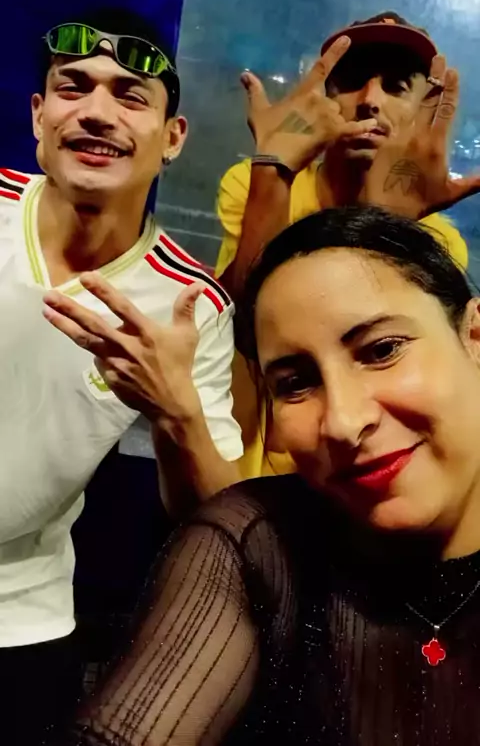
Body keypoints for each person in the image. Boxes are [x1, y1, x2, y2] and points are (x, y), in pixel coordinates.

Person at [66, 205, 480, 746]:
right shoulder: (257, 546)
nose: (343, 422)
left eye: (382, 351)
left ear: (474, 336)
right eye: (295, 383)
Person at [0, 8, 242, 744]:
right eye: (73, 88)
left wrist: (175, 411)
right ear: (38, 116)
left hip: (22, 615)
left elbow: (220, 517)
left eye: (131, 96)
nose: (97, 113)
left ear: (173, 138)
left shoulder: (191, 305)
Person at [215, 11, 480, 478]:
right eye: (353, 82)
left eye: (396, 87)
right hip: (247, 474)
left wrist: (387, 223)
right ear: (324, 97)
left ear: (422, 112)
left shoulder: (440, 242)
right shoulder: (258, 186)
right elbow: (242, 329)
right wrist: (272, 168)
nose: (370, 101)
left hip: (360, 474)